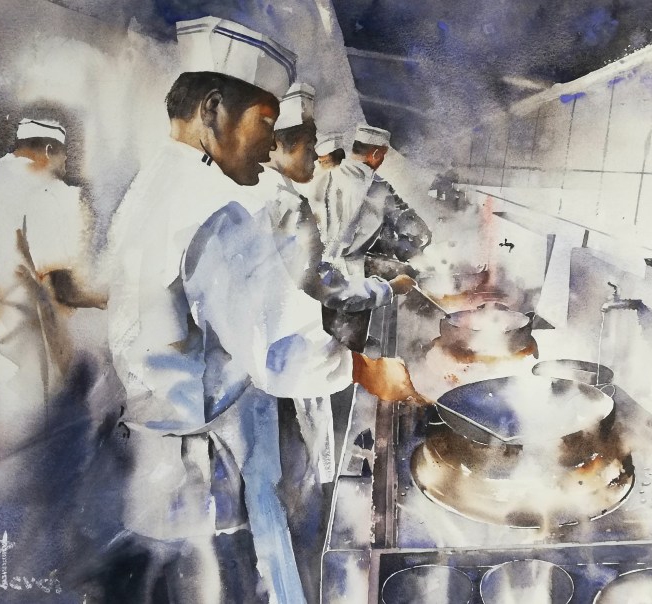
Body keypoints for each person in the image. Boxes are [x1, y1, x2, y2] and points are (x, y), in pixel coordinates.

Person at [104, 16, 427, 604]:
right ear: (212, 109)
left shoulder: (152, 183)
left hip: (150, 468)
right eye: (264, 122)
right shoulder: (213, 205)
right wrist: (366, 369)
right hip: (203, 475)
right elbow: (278, 348)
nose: (267, 144)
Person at [0, 116, 103, 554]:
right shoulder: (50, 193)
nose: (64, 168)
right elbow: (60, 287)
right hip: (20, 354)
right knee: (28, 481)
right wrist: (109, 298)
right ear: (49, 151)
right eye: (63, 159)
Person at [309, 124, 432, 350]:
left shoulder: (327, 174)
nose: (381, 160)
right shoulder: (377, 186)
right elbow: (405, 219)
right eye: (382, 155)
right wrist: (422, 237)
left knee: (326, 340)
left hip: (319, 273)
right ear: (375, 154)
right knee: (348, 344)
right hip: (351, 277)